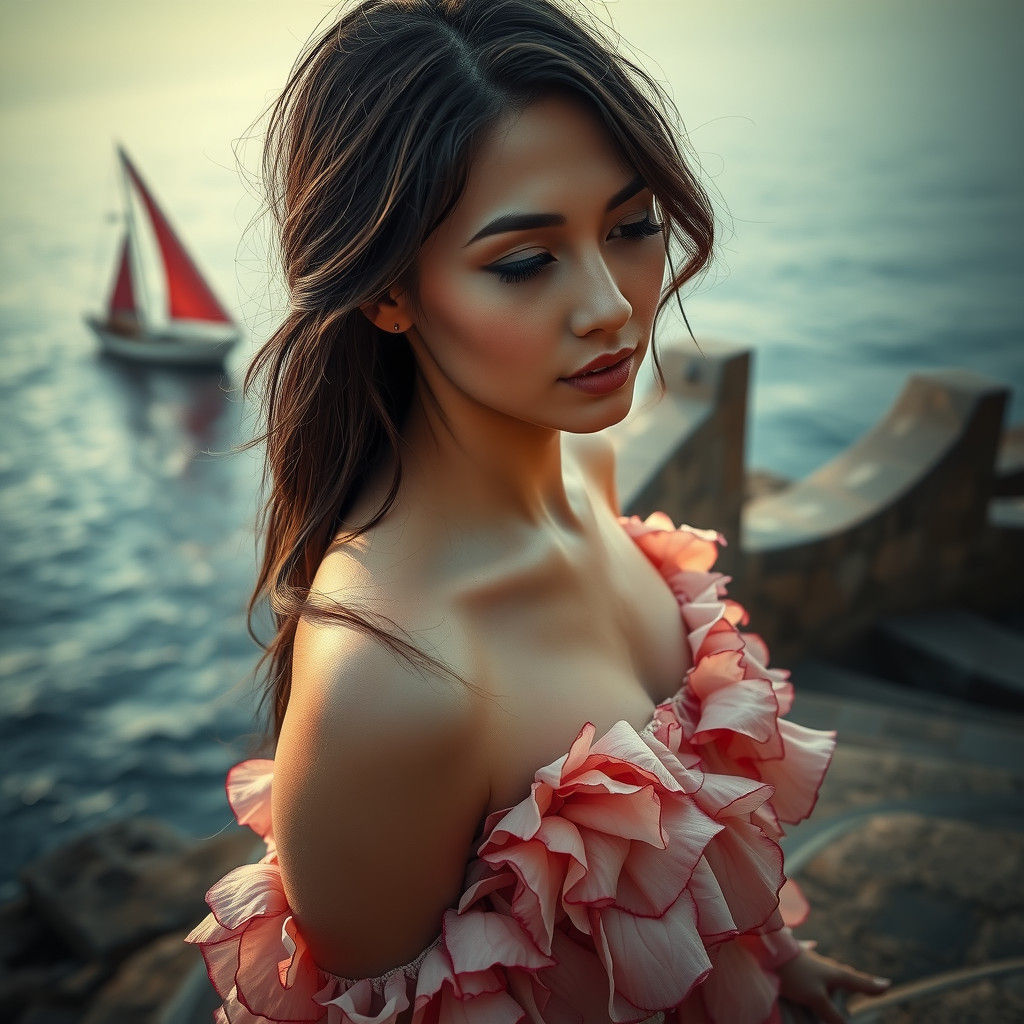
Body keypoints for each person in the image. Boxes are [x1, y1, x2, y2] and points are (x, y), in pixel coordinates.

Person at [185, 1, 893, 1021]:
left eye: (632, 224)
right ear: (388, 292)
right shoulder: (388, 681)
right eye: (525, 260)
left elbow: (674, 867)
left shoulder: (592, 472)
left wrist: (768, 968)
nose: (610, 302)